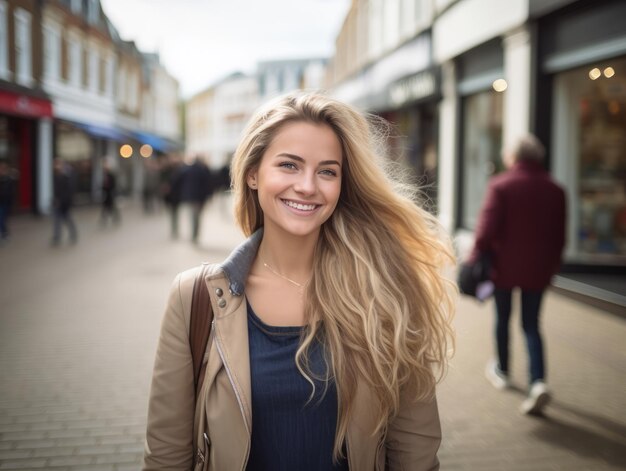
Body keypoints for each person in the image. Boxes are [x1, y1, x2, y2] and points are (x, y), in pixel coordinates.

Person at [143, 92, 456, 470]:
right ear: (253, 173)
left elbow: (415, 453)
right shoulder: (195, 298)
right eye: (289, 165)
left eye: (327, 171)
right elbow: (166, 456)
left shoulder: (385, 290)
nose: (308, 186)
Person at [469, 134, 566, 415]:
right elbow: (559, 237)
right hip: (539, 269)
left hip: (504, 269)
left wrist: (476, 257)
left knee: (503, 318)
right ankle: (538, 382)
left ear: (513, 157)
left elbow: (485, 232)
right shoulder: (556, 189)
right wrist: (552, 267)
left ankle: (503, 368)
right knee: (531, 324)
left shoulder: (501, 185)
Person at [179, 155, 213, 244]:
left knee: (192, 216)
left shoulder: (187, 170)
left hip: (190, 197)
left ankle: (193, 235)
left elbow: (181, 181)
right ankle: (195, 235)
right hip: (199, 198)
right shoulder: (203, 170)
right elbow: (208, 185)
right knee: (197, 217)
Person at [51, 159, 78, 245]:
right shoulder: (56, 176)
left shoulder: (66, 177)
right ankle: (57, 237)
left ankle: (73, 234)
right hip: (58, 203)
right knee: (57, 220)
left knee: (67, 219)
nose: (55, 166)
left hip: (64, 203)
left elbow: (69, 191)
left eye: (57, 164)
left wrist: (62, 201)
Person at [0, 161, 18, 242]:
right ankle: (4, 233)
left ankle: (5, 234)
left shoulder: (9, 179)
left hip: (5, 202)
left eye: (3, 169)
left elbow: (12, 192)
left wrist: (12, 204)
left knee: (2, 219)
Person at [101, 161, 120, 226]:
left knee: (111, 207)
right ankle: (104, 219)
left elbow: (113, 185)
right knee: (105, 208)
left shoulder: (111, 175)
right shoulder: (104, 175)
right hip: (106, 195)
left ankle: (115, 218)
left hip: (110, 194)